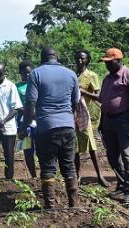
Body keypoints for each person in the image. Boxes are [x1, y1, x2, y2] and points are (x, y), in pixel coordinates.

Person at [22, 47, 80, 208]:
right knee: (68, 165)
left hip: (46, 127)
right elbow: (75, 102)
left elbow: (30, 104)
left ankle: (50, 205)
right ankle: (74, 204)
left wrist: (24, 127)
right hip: (67, 126)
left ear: (42, 58)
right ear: (57, 57)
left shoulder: (36, 74)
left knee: (48, 167)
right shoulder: (71, 74)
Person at [99, 48, 129, 203]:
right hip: (108, 120)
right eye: (106, 63)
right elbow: (103, 101)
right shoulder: (107, 79)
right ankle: (123, 185)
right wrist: (101, 122)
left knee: (127, 155)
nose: (107, 66)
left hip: (124, 120)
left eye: (110, 63)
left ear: (118, 60)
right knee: (112, 156)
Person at [74, 50, 109, 187]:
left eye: (82, 58)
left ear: (87, 60)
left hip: (83, 112)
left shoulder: (91, 76)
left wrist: (83, 92)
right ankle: (77, 176)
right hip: (71, 113)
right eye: (77, 58)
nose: (79, 60)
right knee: (75, 146)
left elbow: (98, 97)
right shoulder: (72, 75)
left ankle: (100, 175)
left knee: (91, 145)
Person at [16, 60, 37, 178]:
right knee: (27, 150)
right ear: (20, 72)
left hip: (38, 121)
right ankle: (33, 176)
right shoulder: (16, 87)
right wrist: (28, 112)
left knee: (41, 148)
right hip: (24, 122)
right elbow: (15, 105)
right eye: (25, 73)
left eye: (30, 73)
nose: (28, 75)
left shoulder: (36, 84)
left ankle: (45, 174)